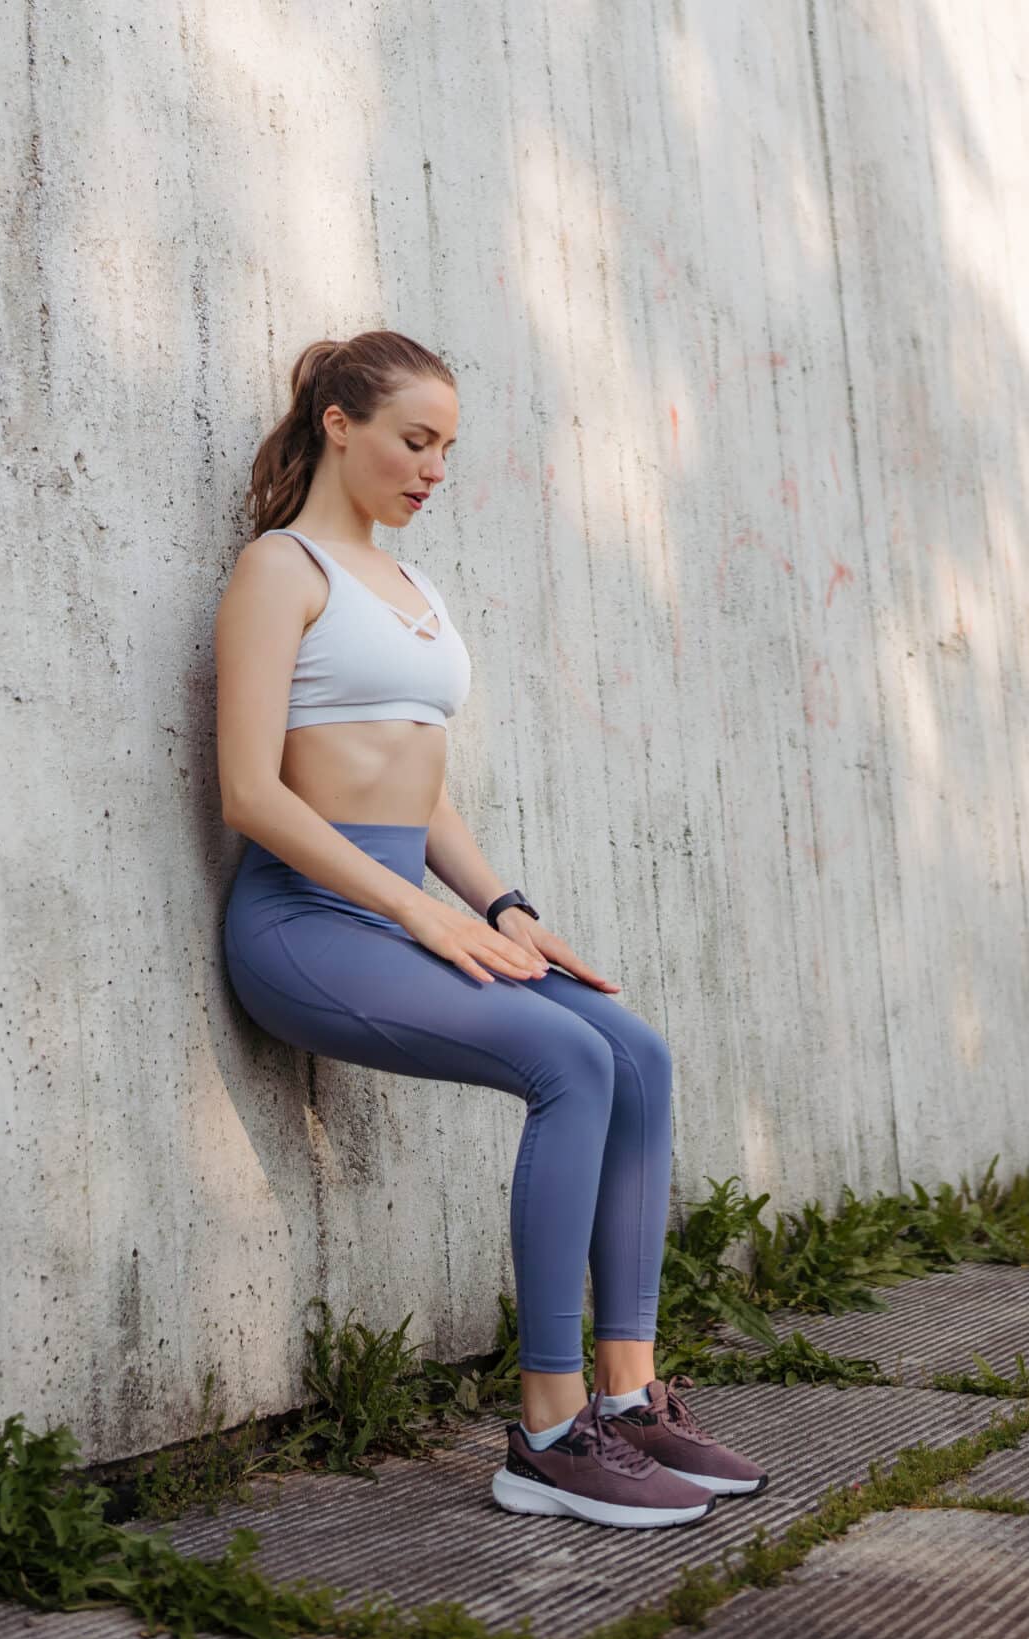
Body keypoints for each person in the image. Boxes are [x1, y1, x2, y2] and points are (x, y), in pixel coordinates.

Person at [213, 330, 769, 1529]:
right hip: (306, 922)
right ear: (338, 425)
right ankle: (549, 1435)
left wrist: (503, 907)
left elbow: (420, 787)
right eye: (415, 442)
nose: (433, 470)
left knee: (635, 1052)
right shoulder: (280, 568)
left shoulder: (412, 588)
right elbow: (251, 794)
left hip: (408, 909)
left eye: (447, 450)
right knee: (566, 1059)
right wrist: (418, 911)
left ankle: (627, 1398)